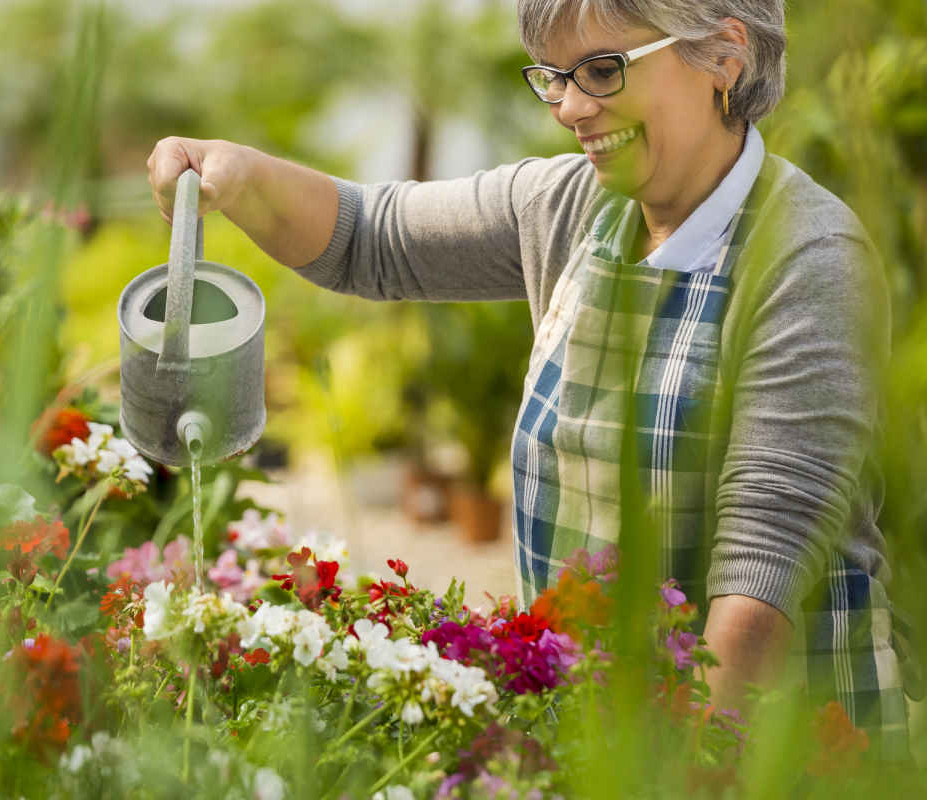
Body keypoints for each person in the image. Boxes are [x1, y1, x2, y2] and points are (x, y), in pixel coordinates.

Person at [147, 0, 910, 757]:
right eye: (555, 76)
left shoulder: (807, 256)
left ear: (725, 55)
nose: (572, 109)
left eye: (604, 71)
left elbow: (758, 584)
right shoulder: (571, 207)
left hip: (773, 752)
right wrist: (238, 177)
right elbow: (366, 238)